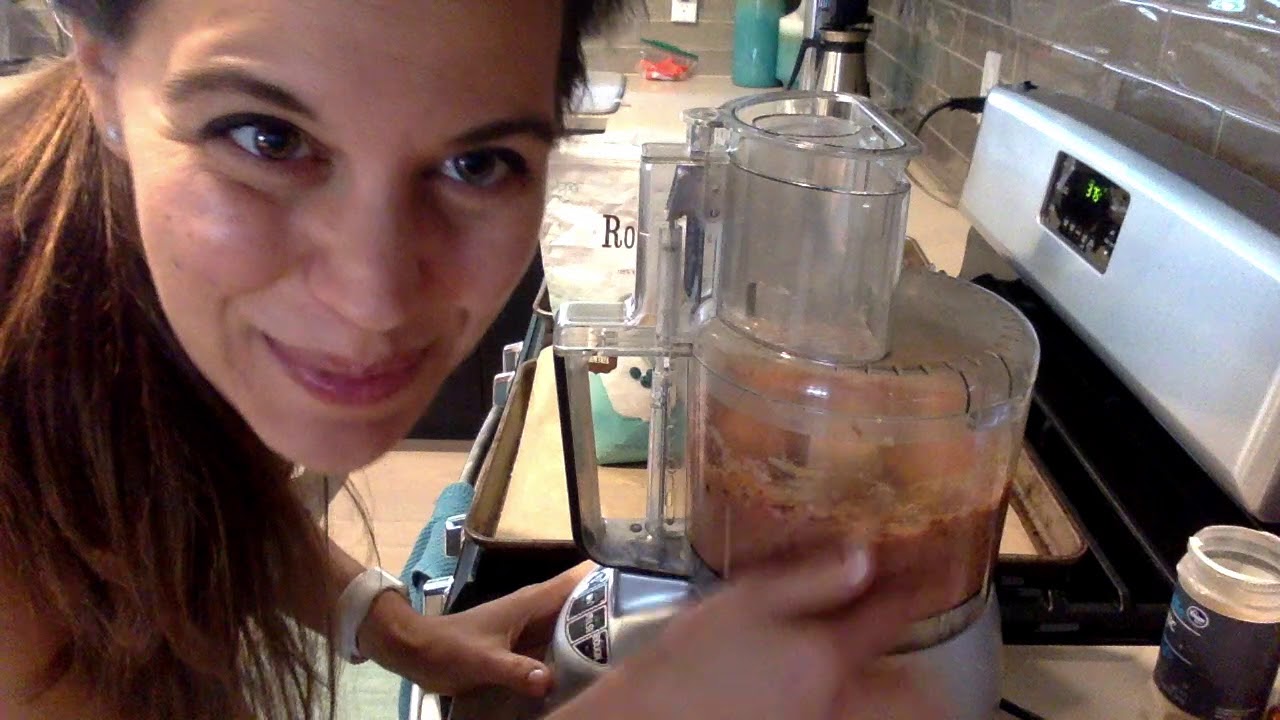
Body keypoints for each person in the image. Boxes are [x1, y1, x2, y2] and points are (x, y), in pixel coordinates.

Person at [0, 2, 941, 719]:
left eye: (479, 163)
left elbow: (194, 479)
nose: (374, 301)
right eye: (267, 138)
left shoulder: (141, 282)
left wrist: (397, 631)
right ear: (101, 73)